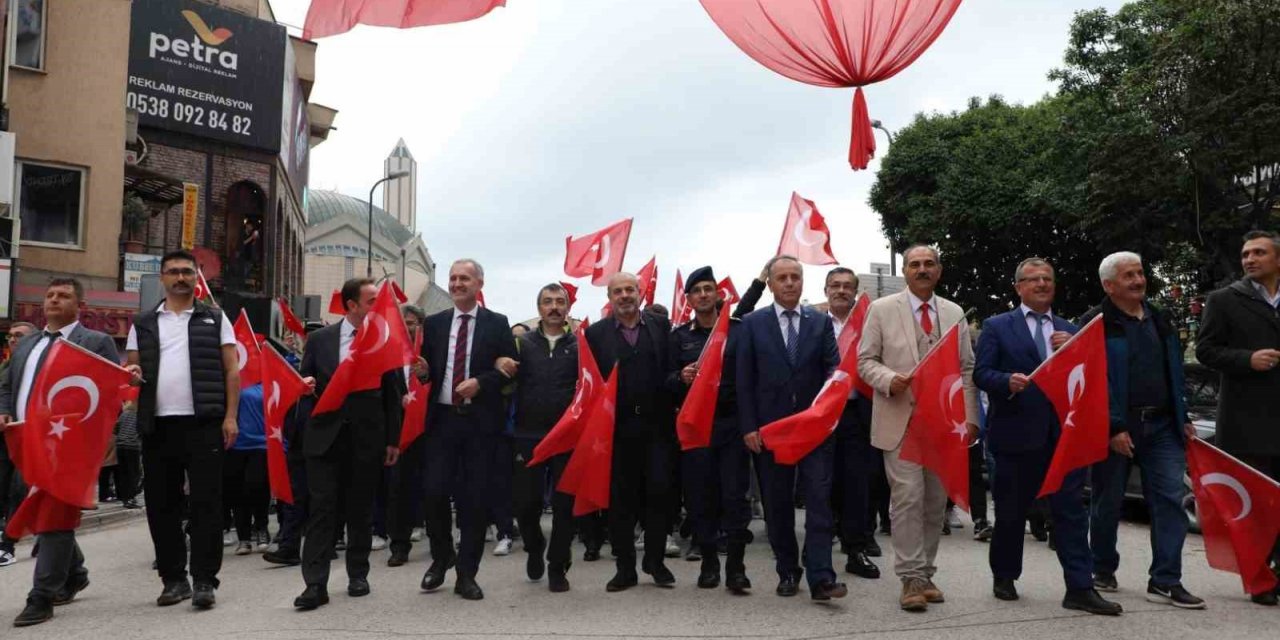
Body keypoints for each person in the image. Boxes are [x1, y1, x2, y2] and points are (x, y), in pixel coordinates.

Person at [974, 258, 1122, 615]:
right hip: (1015, 436)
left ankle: (1080, 587)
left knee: (1071, 513)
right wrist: (1005, 382)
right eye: (1033, 279)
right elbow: (981, 373)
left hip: (1063, 439)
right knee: (1011, 513)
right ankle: (1005, 575)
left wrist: (1074, 348)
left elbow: (1089, 376)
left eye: (1047, 279)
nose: (1041, 284)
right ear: (1018, 287)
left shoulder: (1070, 329)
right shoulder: (997, 326)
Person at [857, 244, 978, 612]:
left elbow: (966, 369)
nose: (922, 269)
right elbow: (864, 361)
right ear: (905, 272)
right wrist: (888, 379)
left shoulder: (953, 312)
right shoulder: (881, 310)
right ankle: (909, 577)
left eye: (929, 264)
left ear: (939, 271)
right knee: (907, 496)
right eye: (915, 264)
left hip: (943, 422)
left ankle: (925, 572)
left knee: (934, 502)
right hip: (901, 419)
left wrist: (971, 418)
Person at [1082, 251, 1204, 610]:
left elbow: (1174, 371)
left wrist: (1182, 415)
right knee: (1107, 503)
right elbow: (1093, 382)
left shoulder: (1160, 318)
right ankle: (1102, 567)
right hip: (1118, 428)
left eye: (1139, 273)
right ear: (1109, 285)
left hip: (1164, 425)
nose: (1138, 280)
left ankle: (1166, 579)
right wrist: (1113, 427)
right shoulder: (1095, 323)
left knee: (1169, 500)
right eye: (1128, 276)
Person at [0, 278, 119, 626]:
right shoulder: (27, 344)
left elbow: (111, 388)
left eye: (64, 295)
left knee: (55, 514)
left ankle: (42, 596)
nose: (54, 300)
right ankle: (75, 572)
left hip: (69, 447)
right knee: (38, 511)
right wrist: (4, 408)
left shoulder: (96, 342)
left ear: (79, 304)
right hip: (25, 442)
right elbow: (7, 384)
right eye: (50, 295)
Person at [127, 250, 239, 610]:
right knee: (162, 505)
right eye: (173, 271)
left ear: (196, 277)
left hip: (204, 423)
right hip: (157, 425)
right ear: (162, 277)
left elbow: (231, 371)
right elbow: (131, 370)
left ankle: (205, 580)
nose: (180, 277)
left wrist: (230, 417)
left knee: (207, 503)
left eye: (187, 272)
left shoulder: (215, 318)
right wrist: (131, 382)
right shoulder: (143, 323)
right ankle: (174, 580)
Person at [738, 255, 847, 601]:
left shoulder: (820, 322)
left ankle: (821, 577)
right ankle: (787, 569)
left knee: (818, 501)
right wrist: (749, 426)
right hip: (771, 432)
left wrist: (826, 411)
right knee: (777, 504)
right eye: (782, 277)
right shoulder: (752, 324)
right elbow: (744, 380)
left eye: (795, 277)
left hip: (814, 431)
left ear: (803, 282)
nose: (789, 283)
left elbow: (834, 369)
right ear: (769, 284)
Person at [293, 278, 400, 610]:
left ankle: (358, 573)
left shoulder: (382, 339)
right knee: (322, 509)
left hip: (366, 438)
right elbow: (304, 379)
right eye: (370, 301)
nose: (376, 307)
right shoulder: (320, 340)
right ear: (351, 305)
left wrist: (392, 440)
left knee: (359, 508)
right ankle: (315, 583)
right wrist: (304, 384)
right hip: (324, 437)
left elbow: (392, 396)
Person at [419, 260, 516, 601]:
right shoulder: (433, 324)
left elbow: (510, 371)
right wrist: (420, 372)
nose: (457, 283)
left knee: (474, 500)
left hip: (479, 423)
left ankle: (466, 573)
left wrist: (482, 382)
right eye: (453, 278)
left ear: (479, 283)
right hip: (441, 421)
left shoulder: (497, 323)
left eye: (464, 278)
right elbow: (427, 371)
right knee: (432, 493)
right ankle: (442, 554)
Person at [1196, 230, 1280, 606]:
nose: (1250, 259)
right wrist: (1247, 360)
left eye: (1259, 253)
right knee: (1258, 507)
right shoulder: (1225, 300)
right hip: (1249, 423)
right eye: (1246, 253)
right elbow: (1206, 350)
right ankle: (1262, 579)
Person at [668, 266, 763, 593]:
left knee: (736, 498)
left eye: (709, 289)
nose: (704, 295)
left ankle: (736, 568)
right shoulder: (679, 337)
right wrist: (680, 377)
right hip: (696, 428)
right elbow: (664, 382)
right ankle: (709, 564)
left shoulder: (736, 331)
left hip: (731, 425)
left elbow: (750, 378)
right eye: (697, 291)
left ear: (718, 295)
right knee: (700, 499)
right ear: (689, 298)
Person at [585, 272, 679, 592]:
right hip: (616, 433)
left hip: (657, 429)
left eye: (630, 289)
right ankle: (625, 568)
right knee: (620, 503)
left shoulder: (660, 328)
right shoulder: (594, 335)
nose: (625, 295)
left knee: (659, 495)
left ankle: (655, 561)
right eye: (618, 291)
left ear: (640, 293)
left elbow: (671, 371)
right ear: (609, 297)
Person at [507, 283, 579, 592]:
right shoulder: (521, 344)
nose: (553, 306)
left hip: (567, 435)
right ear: (539, 308)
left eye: (559, 301)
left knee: (565, 505)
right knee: (526, 504)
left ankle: (556, 565)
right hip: (528, 435)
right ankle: (534, 546)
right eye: (547, 301)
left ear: (567, 308)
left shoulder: (580, 345)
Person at [823, 267, 881, 581]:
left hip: (859, 412)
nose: (841, 290)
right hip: (822, 414)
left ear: (855, 292)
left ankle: (855, 547)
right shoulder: (814, 323)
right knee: (822, 481)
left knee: (859, 482)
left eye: (848, 286)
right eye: (835, 285)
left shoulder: (869, 324)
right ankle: (819, 543)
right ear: (825, 290)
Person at [386, 304, 428, 567]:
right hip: (397, 432)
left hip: (429, 430)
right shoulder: (387, 354)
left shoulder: (431, 352)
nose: (406, 327)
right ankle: (399, 546)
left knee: (432, 488)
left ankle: (438, 541)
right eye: (402, 322)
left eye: (411, 322)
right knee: (397, 491)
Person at [224, 384, 270, 556]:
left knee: (257, 484)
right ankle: (244, 537)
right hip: (233, 444)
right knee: (237, 490)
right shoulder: (228, 383)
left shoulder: (264, 381)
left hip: (260, 443)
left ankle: (261, 528)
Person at [0, 322, 36, 539]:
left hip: (27, 436)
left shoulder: (35, 365)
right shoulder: (5, 366)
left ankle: (10, 540)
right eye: (11, 336)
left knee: (20, 488)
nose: (13, 340)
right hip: (4, 436)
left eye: (19, 336)